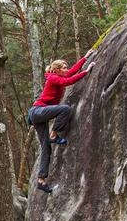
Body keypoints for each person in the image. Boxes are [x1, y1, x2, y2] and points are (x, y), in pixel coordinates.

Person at [28, 50, 96, 193]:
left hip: (39, 115)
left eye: (66, 67)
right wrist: (86, 72)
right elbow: (68, 80)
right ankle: (54, 135)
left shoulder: (58, 76)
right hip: (37, 111)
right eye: (63, 68)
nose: (66, 69)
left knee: (46, 147)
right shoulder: (52, 78)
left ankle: (41, 181)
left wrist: (85, 57)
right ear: (57, 70)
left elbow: (71, 72)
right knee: (65, 109)